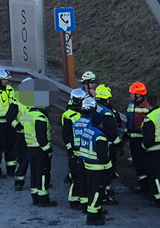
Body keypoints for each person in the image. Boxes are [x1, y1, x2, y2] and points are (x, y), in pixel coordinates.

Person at [12, 79, 56, 207]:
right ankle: (42, 199)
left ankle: (35, 197)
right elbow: (42, 137)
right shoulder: (39, 117)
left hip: (30, 145)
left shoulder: (29, 115)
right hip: (39, 149)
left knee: (35, 173)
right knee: (42, 174)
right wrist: (48, 150)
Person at [74, 97, 113, 225]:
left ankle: (96, 213)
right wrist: (110, 167)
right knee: (98, 192)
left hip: (88, 167)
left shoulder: (87, 132)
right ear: (100, 122)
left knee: (91, 191)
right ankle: (92, 217)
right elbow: (103, 156)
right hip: (98, 169)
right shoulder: (100, 136)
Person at [91, 85, 121, 205]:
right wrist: (119, 144)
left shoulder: (94, 107)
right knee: (108, 171)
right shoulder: (107, 113)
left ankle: (101, 192)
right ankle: (105, 194)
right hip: (107, 145)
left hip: (94, 143)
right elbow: (112, 132)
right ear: (107, 99)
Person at [61, 88, 87, 210]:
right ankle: (73, 200)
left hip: (84, 150)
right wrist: (71, 152)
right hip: (74, 151)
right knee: (75, 176)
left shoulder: (82, 113)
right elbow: (66, 136)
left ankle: (83, 200)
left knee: (83, 177)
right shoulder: (68, 116)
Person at [125, 82, 152, 194]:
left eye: (132, 93)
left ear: (138, 95)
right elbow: (129, 121)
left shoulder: (146, 106)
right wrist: (126, 134)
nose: (130, 95)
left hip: (142, 140)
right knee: (137, 163)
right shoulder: (131, 104)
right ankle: (142, 186)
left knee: (144, 163)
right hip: (133, 139)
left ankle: (146, 186)